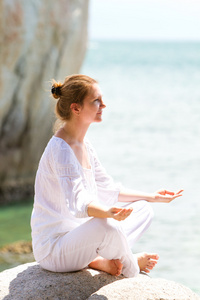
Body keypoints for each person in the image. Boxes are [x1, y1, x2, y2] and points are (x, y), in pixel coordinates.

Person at [31, 74, 183, 277]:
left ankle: (100, 260)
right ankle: (131, 269)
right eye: (96, 101)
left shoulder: (85, 146)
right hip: (55, 249)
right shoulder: (61, 149)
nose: (104, 105)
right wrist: (108, 213)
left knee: (143, 210)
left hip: (79, 240)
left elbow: (110, 189)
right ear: (76, 108)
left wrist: (152, 197)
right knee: (106, 224)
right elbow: (79, 203)